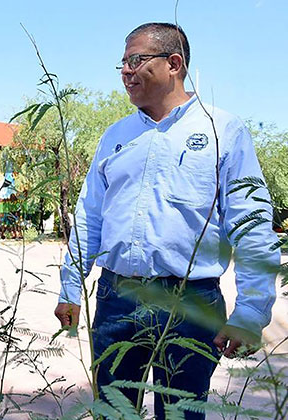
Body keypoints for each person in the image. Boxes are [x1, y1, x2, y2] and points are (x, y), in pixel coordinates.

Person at [54, 23, 280, 419]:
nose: (125, 71)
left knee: (180, 415)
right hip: (115, 299)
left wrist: (250, 312)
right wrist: (71, 287)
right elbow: (89, 215)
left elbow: (252, 224)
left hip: (191, 303)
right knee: (113, 411)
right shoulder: (115, 136)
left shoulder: (222, 130)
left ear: (174, 63)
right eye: (122, 62)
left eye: (135, 60)